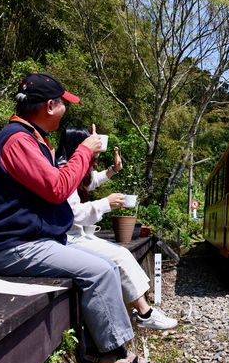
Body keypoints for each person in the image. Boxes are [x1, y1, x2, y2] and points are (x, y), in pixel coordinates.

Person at [0, 72, 155, 363]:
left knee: (107, 264)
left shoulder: (32, 139)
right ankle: (114, 355)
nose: (66, 110)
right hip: (17, 247)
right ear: (49, 106)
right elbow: (58, 187)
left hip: (35, 240)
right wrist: (83, 152)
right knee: (100, 271)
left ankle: (97, 349)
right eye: (63, 104)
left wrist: (95, 163)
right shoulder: (18, 140)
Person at [55, 126, 177, 330]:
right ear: (77, 146)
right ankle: (145, 314)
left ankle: (144, 310)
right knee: (119, 257)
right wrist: (106, 203)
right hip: (67, 238)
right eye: (90, 146)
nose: (94, 153)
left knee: (122, 254)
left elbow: (89, 182)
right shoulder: (62, 170)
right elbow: (73, 213)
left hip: (77, 235)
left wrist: (113, 169)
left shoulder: (70, 166)